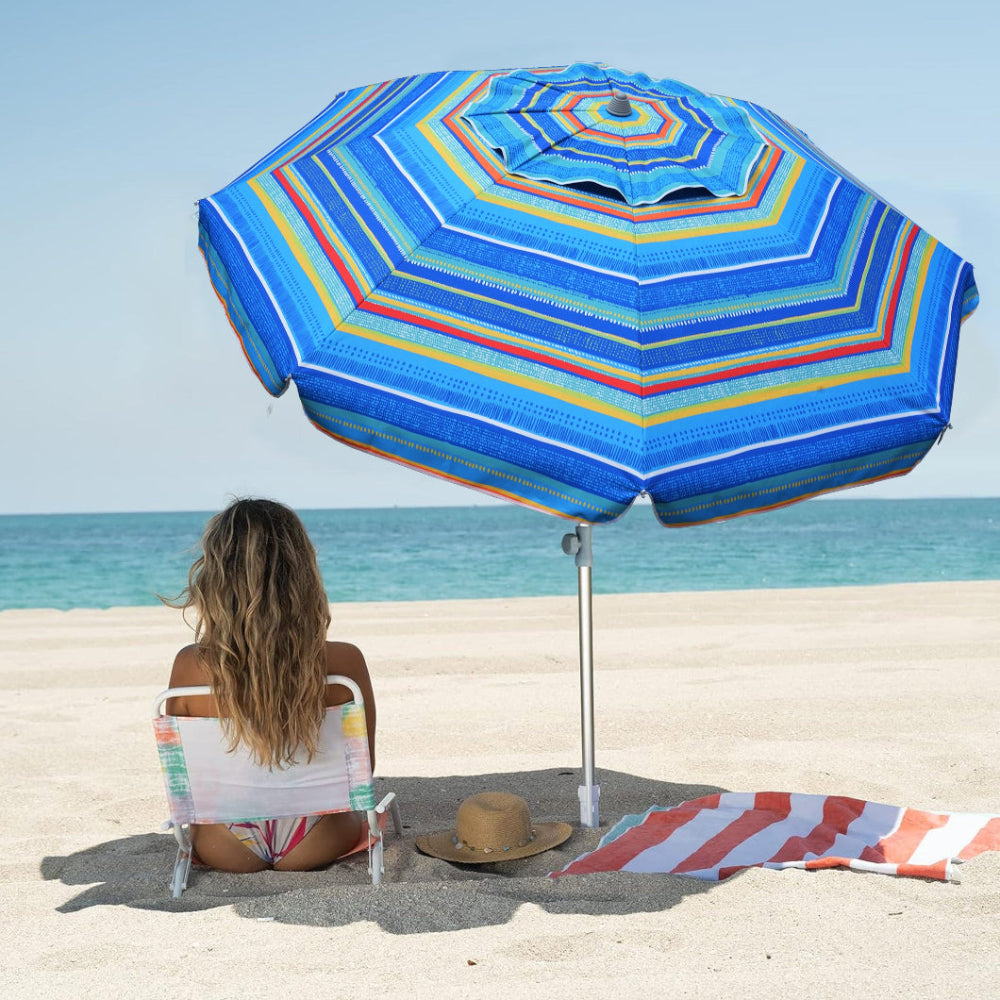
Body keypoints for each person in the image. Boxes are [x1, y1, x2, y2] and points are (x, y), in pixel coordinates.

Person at [163, 498, 376, 874]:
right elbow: (361, 770)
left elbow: (186, 779)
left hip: (224, 843)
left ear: (216, 578)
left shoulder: (189, 667)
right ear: (302, 573)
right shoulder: (344, 661)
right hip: (317, 837)